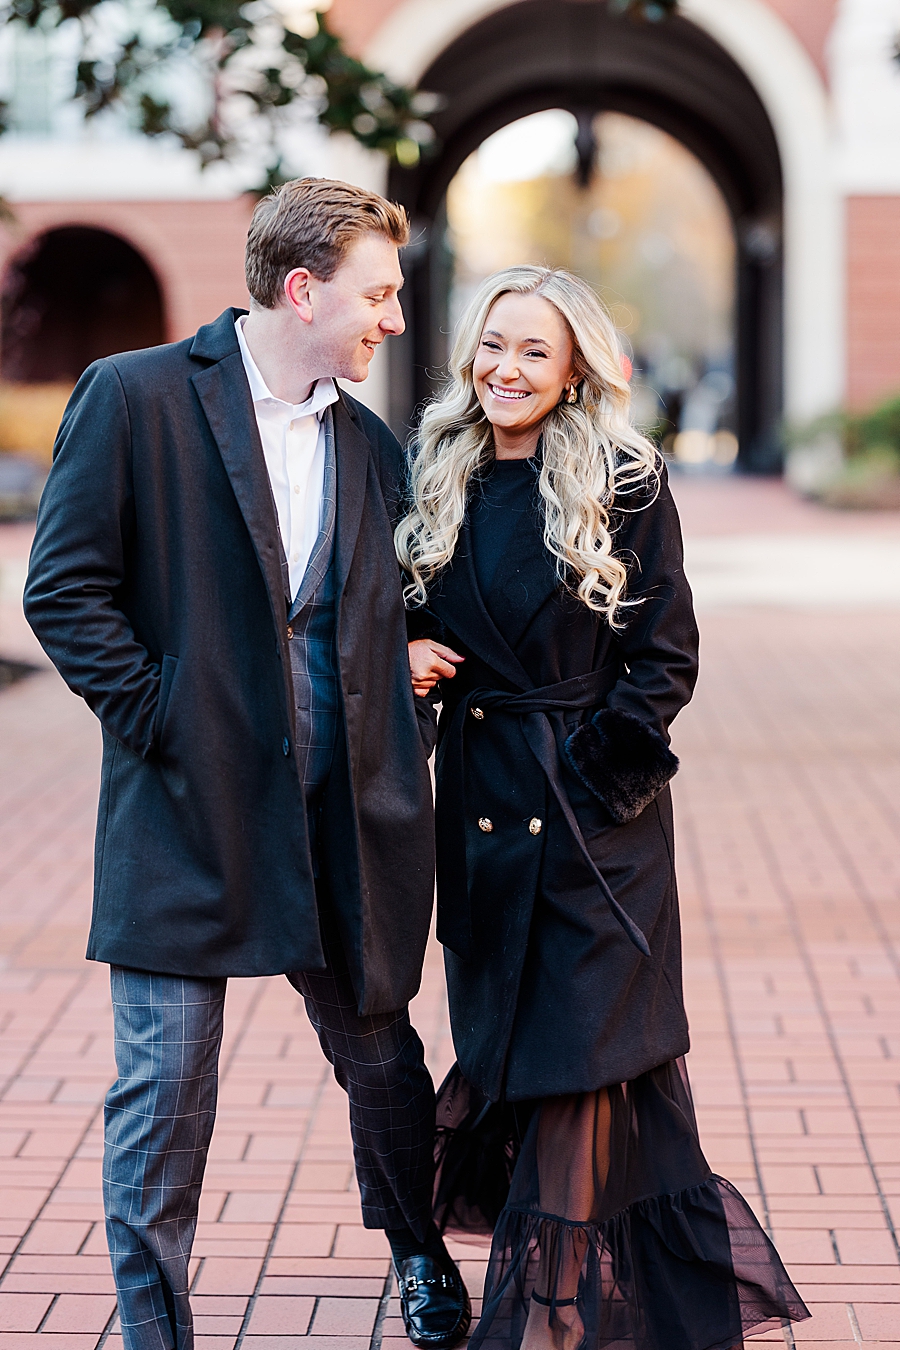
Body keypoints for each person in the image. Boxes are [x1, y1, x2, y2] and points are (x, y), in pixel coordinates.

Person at [24, 178, 470, 1350]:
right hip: (187, 815)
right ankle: (154, 1326)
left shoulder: (372, 446)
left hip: (341, 821)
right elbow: (65, 591)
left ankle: (420, 1257)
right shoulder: (138, 396)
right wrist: (163, 721)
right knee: (162, 1100)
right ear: (303, 287)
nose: (389, 317)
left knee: (384, 1065)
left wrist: (396, 655)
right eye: (376, 295)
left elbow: (372, 600)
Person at [397, 265, 810, 1350]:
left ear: (575, 365)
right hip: (483, 813)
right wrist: (402, 652)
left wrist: (593, 776)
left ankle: (544, 1322)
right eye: (494, 344)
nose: (507, 368)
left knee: (581, 1062)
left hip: (593, 826)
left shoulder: (624, 479)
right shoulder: (433, 471)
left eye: (535, 350)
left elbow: (663, 658)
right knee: (521, 1057)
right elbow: (377, 611)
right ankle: (613, 1300)